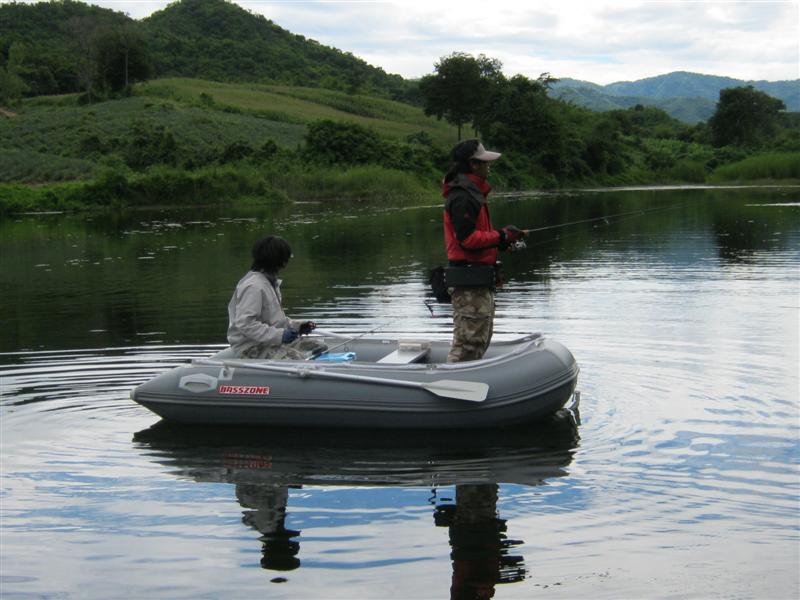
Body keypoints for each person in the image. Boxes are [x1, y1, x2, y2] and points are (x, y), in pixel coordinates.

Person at [442, 139, 525, 363]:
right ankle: (450, 387)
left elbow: (478, 238)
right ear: (473, 165)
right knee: (468, 345)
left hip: (479, 281)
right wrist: (501, 236)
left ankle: (463, 385)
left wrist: (501, 242)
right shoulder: (462, 196)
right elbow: (467, 240)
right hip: (470, 283)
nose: (489, 166)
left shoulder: (472, 193)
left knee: (479, 340)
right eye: (484, 162)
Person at [227, 235, 325, 360]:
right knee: (295, 359)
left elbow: (276, 321)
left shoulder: (270, 282)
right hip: (252, 347)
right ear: (278, 260)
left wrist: (297, 326)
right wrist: (280, 335)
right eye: (285, 258)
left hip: (270, 341)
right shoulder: (253, 286)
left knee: (319, 347)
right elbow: (246, 324)